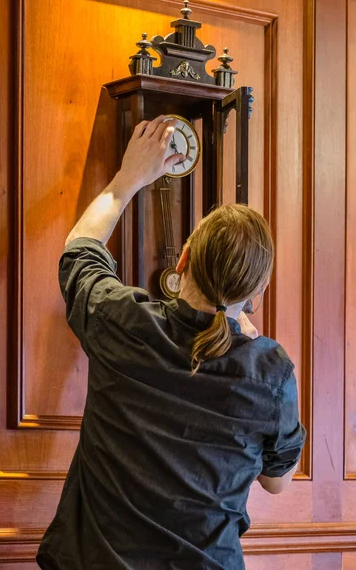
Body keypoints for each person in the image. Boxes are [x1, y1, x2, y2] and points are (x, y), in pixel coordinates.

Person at [36, 116, 306, 570]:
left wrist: (128, 179)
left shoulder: (122, 321)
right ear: (256, 294)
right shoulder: (271, 372)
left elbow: (80, 249)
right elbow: (278, 482)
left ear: (182, 260)